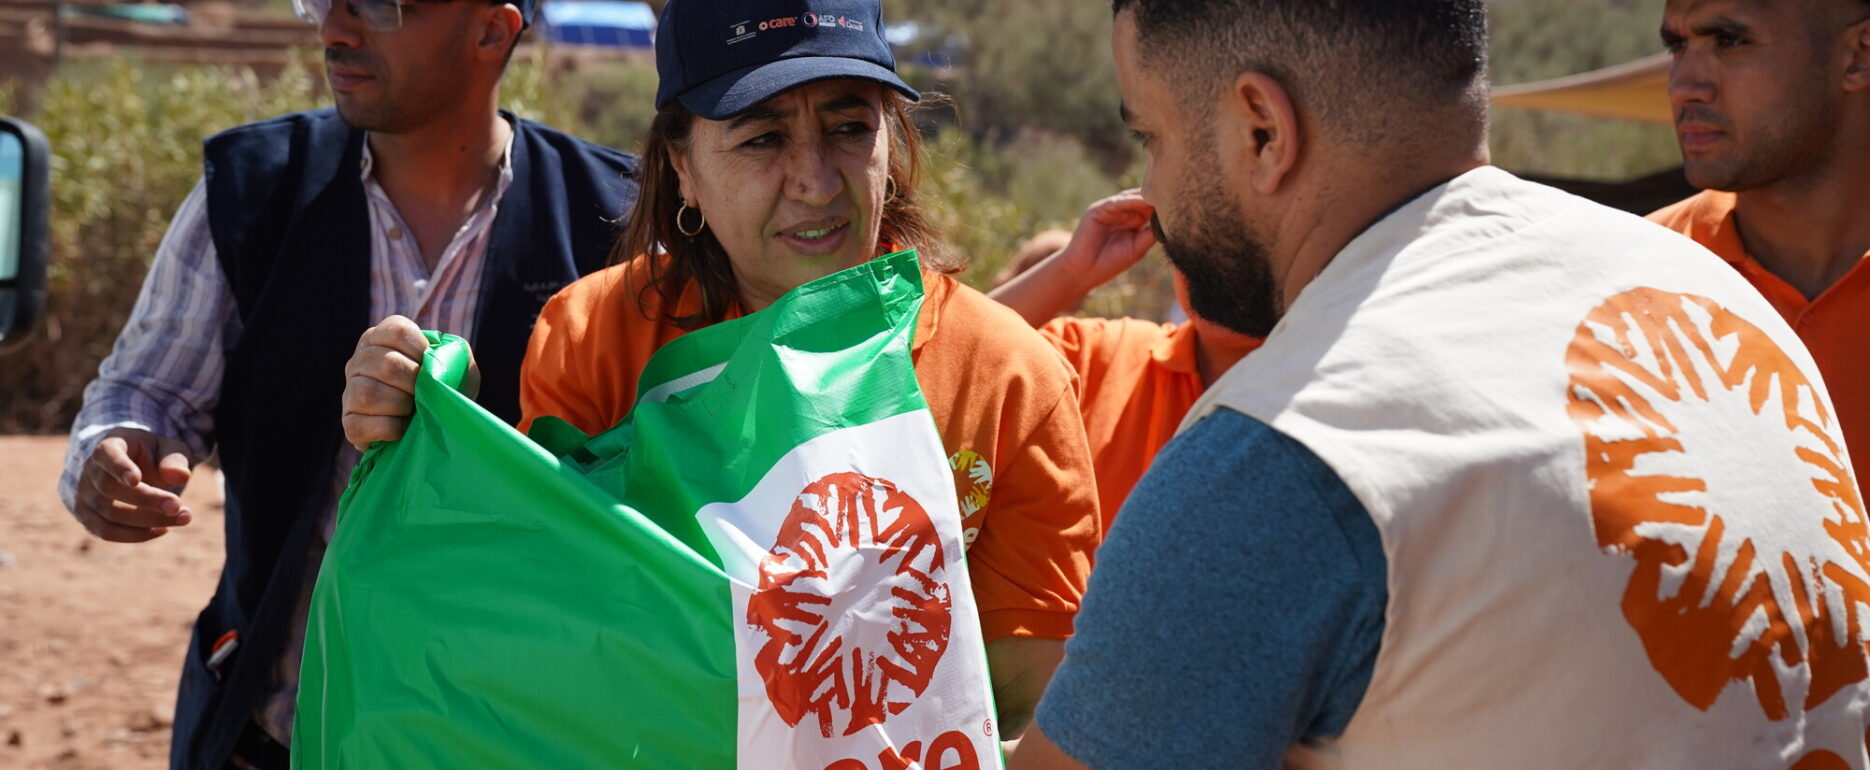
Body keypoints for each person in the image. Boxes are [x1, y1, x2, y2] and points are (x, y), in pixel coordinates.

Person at [1016, 0, 1870, 767]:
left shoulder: (1284, 451)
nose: (1153, 190)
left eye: (1152, 139)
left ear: (1263, 130)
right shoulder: (1714, 300)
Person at [338, 0, 1101, 741]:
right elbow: (549, 614)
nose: (816, 181)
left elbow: (1025, 697)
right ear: (682, 168)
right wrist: (437, 434)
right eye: (763, 139)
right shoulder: (592, 337)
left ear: (891, 144)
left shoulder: (1010, 378)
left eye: (849, 129)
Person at [55, 0, 640, 764]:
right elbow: (146, 393)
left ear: (491, 30)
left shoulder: (615, 222)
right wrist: (114, 449)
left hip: (514, 742)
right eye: (322, 1)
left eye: (378, 5)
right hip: (269, 730)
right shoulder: (252, 189)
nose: (334, 29)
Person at [1648, 0, 1870, 473]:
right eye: (1677, 46)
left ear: (1858, 56)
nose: (1683, 86)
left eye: (1730, 42)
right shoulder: (1630, 280)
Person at [991, 190, 1264, 522]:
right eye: (1196, 231)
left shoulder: (1314, 402)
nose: (1217, 256)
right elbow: (953, 357)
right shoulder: (1098, 355)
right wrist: (1070, 272)